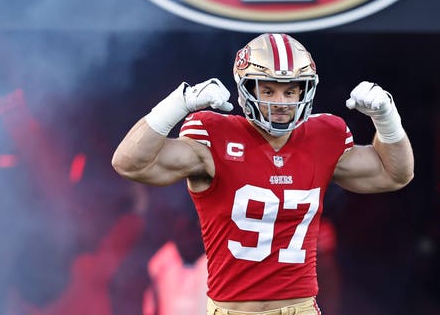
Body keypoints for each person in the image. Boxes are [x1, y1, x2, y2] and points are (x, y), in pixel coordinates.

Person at [112, 33, 414, 315]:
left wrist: (386, 117)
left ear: (304, 90)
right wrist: (180, 103)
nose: (280, 103)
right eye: (268, 90)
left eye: (290, 90)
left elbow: (395, 174)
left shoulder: (325, 136)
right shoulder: (213, 135)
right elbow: (130, 163)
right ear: (247, 89)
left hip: (301, 308)